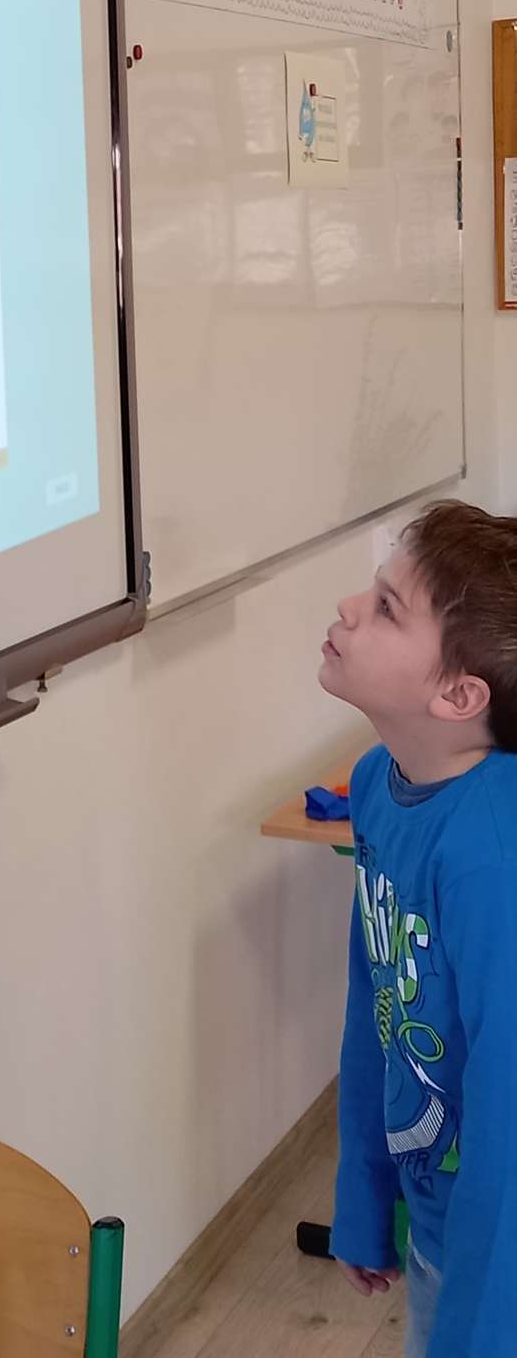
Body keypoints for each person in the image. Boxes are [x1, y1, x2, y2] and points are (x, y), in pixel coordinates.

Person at [321, 501, 517, 1357]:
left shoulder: (491, 859)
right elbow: (377, 1004)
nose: (348, 609)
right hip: (442, 1233)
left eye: (387, 608)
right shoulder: (378, 781)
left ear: (458, 695)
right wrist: (365, 1194)